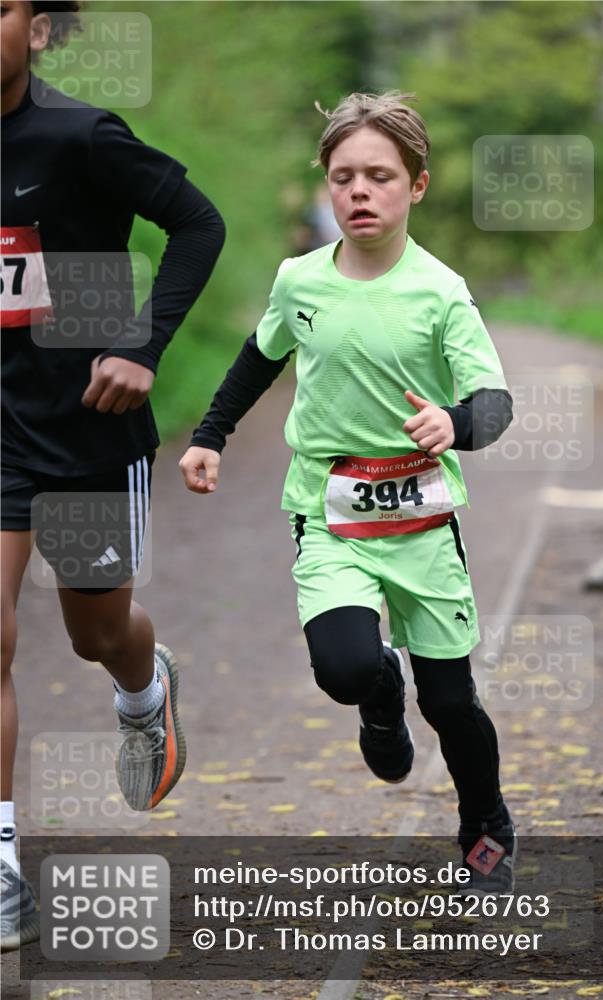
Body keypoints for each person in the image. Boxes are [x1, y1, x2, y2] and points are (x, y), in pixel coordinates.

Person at [179, 92, 515, 895]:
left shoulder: (439, 290)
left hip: (423, 520)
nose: (359, 191)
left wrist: (454, 423)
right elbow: (259, 357)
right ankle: (375, 701)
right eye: (343, 177)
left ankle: (483, 824)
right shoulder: (300, 280)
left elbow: (494, 403)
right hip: (327, 511)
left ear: (416, 187)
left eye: (379, 176)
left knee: (451, 701)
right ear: (326, 188)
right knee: (343, 666)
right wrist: (208, 435)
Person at [1, 0, 225, 950]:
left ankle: (142, 688)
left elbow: (197, 225)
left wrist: (141, 345)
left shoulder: (78, 136)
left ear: (39, 30)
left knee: (95, 631)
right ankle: (4, 864)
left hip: (85, 430)